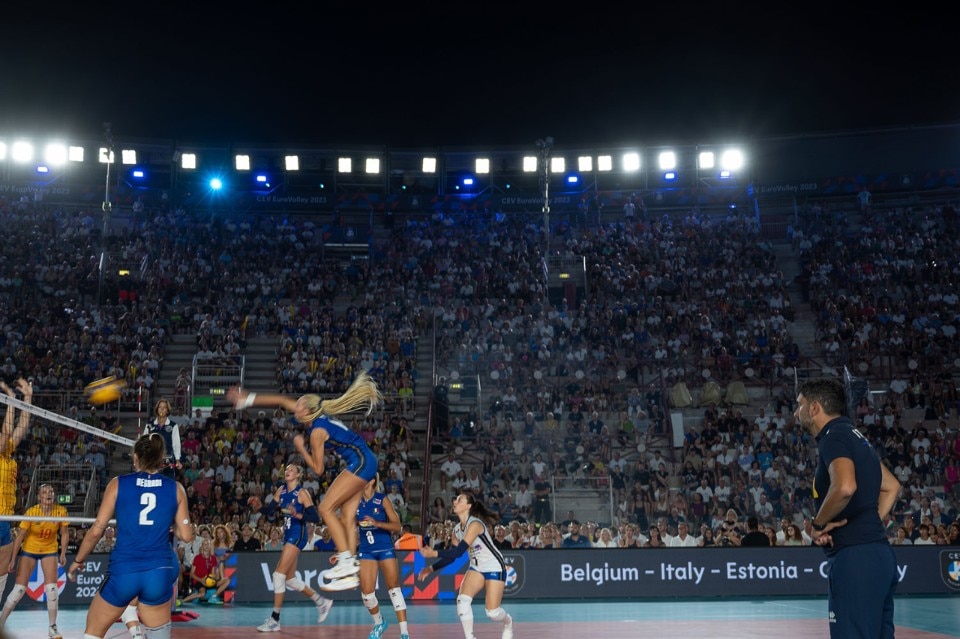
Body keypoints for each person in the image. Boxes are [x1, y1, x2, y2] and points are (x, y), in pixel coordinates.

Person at [227, 371, 382, 591]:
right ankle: (350, 571)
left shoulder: (317, 431)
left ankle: (346, 562)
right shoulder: (314, 414)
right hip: (364, 461)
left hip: (362, 462)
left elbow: (318, 469)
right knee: (346, 516)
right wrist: (247, 399)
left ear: (306, 411)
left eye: (299, 405)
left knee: (325, 508)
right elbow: (281, 400)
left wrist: (301, 449)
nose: (295, 407)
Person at [795, 377, 901, 638]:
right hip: (878, 554)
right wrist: (863, 523)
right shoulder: (855, 435)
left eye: (800, 405)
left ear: (815, 408)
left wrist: (818, 525)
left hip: (855, 561)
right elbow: (892, 487)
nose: (796, 413)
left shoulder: (833, 437)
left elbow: (845, 487)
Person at [66, 433, 195, 639]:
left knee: (93, 634)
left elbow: (97, 530)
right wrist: (172, 524)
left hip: (124, 570)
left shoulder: (117, 484)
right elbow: (187, 536)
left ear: (135, 457)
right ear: (161, 459)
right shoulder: (176, 489)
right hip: (159, 572)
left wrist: (78, 560)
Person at [417, 491, 514, 639]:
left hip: (494, 566)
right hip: (477, 568)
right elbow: (452, 557)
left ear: (468, 506)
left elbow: (458, 552)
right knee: (462, 601)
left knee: (492, 613)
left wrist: (434, 553)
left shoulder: (475, 524)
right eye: (455, 499)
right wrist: (430, 569)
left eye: (459, 500)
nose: (454, 502)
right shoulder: (456, 530)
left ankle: (508, 622)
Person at [249, 463, 333, 632]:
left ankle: (275, 619)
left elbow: (315, 517)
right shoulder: (281, 490)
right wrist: (259, 507)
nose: (288, 471)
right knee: (289, 579)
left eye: (291, 469)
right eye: (286, 469)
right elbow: (270, 512)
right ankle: (322, 601)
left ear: (298, 475)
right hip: (288, 535)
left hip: (298, 535)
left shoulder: (301, 493)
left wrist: (298, 514)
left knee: (278, 575)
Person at [0, 483, 69, 637]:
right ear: (39, 497)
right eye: (44, 492)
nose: (48, 494)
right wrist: (13, 559)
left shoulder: (60, 511)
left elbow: (64, 533)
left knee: (52, 589)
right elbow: (20, 537)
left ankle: (52, 627)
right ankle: (1, 623)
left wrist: (63, 553)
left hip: (49, 550)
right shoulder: (32, 512)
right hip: (30, 550)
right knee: (18, 590)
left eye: (51, 491)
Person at [357, 476, 410, 639]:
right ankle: (379, 623)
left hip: (384, 547)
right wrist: (343, 552)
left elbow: (397, 526)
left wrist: (377, 523)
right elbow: (349, 527)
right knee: (366, 594)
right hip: (366, 550)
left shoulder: (382, 499)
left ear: (372, 481)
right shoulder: (355, 501)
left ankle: (404, 633)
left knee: (394, 589)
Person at [0, 379, 32, 615]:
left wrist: (27, 398)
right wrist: (11, 400)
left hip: (5, 517)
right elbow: (6, 432)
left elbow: (21, 427)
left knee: (2, 571)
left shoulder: (9, 456)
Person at [141, 398, 182, 480]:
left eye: (164, 407)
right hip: (152, 461)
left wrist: (177, 459)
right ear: (157, 409)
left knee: (167, 483)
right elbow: (144, 442)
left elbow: (176, 444)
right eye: (160, 407)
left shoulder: (173, 426)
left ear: (167, 410)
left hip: (168, 461)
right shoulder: (149, 425)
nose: (162, 409)